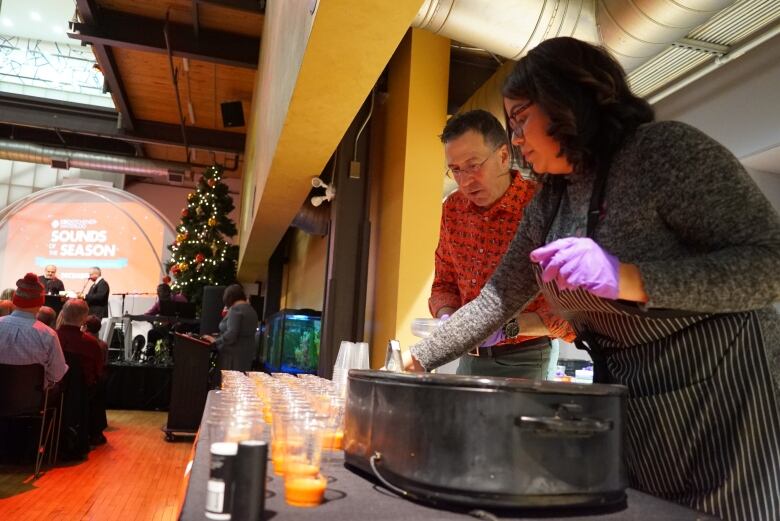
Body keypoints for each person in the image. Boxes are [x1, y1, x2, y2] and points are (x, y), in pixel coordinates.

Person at [406, 37, 780, 521]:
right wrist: (415, 361)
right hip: (639, 393)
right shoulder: (551, 197)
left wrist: (630, 278)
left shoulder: (662, 153)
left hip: (725, 391)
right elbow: (496, 298)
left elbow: (769, 263)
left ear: (567, 104)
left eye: (520, 121)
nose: (515, 139)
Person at [431, 109, 573, 378]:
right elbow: (444, 283)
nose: (465, 181)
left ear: (504, 156)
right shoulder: (454, 209)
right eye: (456, 170)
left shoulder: (542, 205)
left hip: (526, 358)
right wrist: (447, 318)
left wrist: (508, 327)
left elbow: (570, 308)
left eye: (473, 166)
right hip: (468, 357)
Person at [0, 273, 67, 389]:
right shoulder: (48, 335)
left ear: (15, 301)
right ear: (40, 303)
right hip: (31, 402)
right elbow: (57, 374)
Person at [57, 299, 107, 445]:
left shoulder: (53, 337)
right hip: (83, 392)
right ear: (84, 318)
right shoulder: (92, 343)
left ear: (63, 314)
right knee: (101, 383)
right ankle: (95, 432)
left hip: (56, 389)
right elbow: (98, 371)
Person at [202, 284, 259, 371]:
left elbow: (232, 334)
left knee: (228, 382)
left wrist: (215, 341)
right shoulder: (251, 310)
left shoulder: (236, 309)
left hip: (232, 357)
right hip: (246, 355)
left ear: (229, 297)